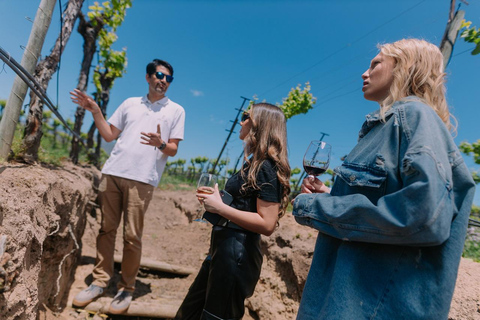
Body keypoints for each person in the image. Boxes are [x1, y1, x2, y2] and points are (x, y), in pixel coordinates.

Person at [292, 39, 476, 319]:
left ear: (405, 67)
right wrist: (329, 194)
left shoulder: (413, 117)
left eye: (375, 63)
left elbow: (423, 216)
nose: (365, 73)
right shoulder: (389, 125)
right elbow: (385, 199)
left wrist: (312, 206)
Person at [70, 59, 185, 314]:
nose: (163, 81)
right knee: (105, 230)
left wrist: (160, 143)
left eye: (168, 78)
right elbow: (110, 135)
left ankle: (127, 288)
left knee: (132, 236)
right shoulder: (130, 104)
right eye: (158, 75)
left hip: (143, 179)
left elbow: (174, 149)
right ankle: (100, 282)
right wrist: (95, 111)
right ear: (147, 77)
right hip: (112, 173)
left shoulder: (176, 110)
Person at [175, 103, 291, 320]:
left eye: (246, 116)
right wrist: (218, 202)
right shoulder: (252, 164)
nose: (241, 121)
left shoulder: (266, 167)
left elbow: (267, 224)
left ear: (261, 124)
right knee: (187, 314)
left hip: (236, 257)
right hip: (221, 250)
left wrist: (220, 207)